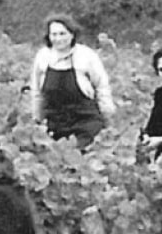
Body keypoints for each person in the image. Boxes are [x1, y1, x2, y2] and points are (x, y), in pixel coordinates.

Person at [29, 15, 116, 148]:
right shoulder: (42, 57)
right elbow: (36, 92)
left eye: (63, 34)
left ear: (72, 34)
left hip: (85, 123)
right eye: (54, 34)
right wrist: (37, 119)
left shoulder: (86, 56)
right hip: (55, 124)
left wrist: (107, 117)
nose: (58, 39)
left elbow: (102, 86)